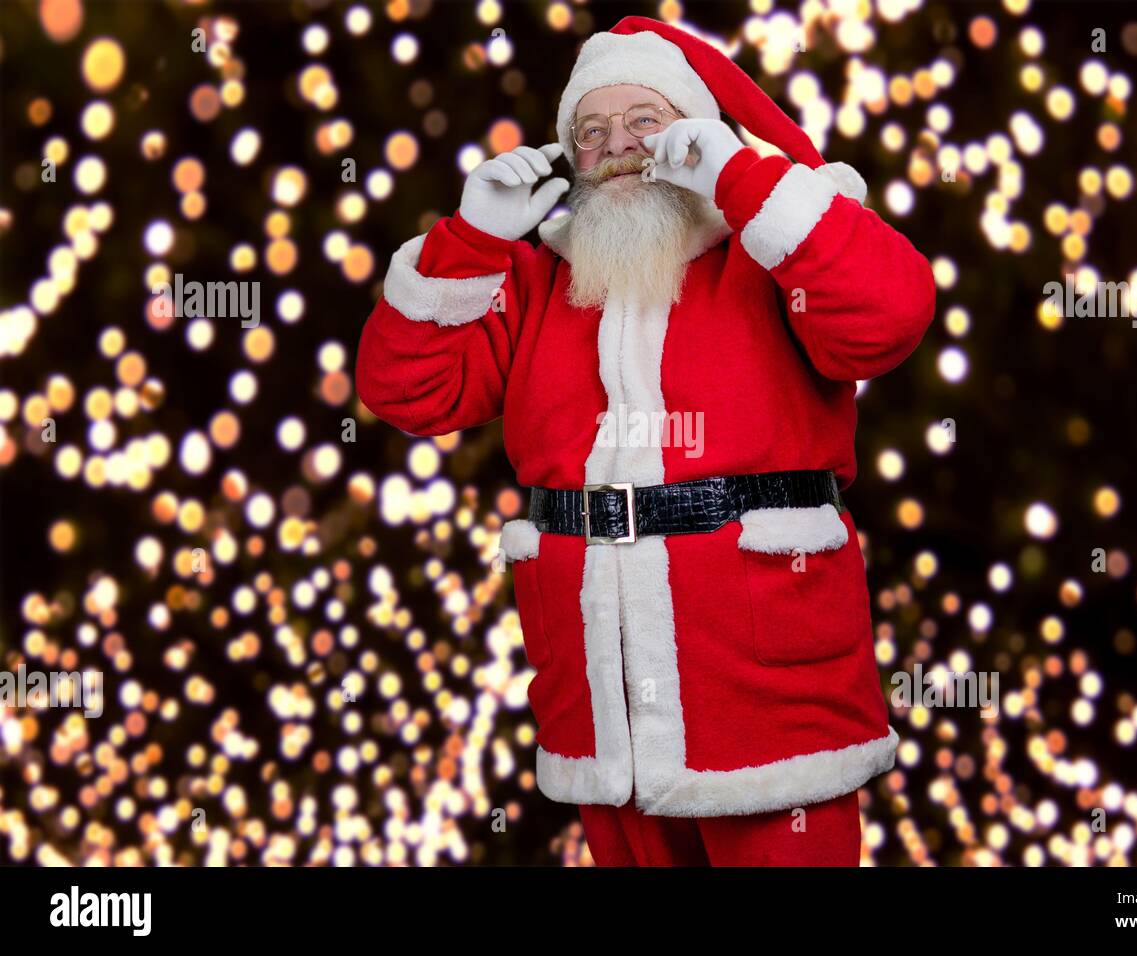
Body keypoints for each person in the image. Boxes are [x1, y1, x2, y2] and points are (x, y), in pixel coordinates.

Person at [355, 15, 936, 866]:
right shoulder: (539, 273)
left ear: (694, 133)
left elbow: (891, 316)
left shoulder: (771, 245)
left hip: (770, 698)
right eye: (590, 130)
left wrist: (746, 180)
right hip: (602, 703)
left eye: (644, 122)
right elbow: (407, 390)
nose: (616, 145)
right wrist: (471, 237)